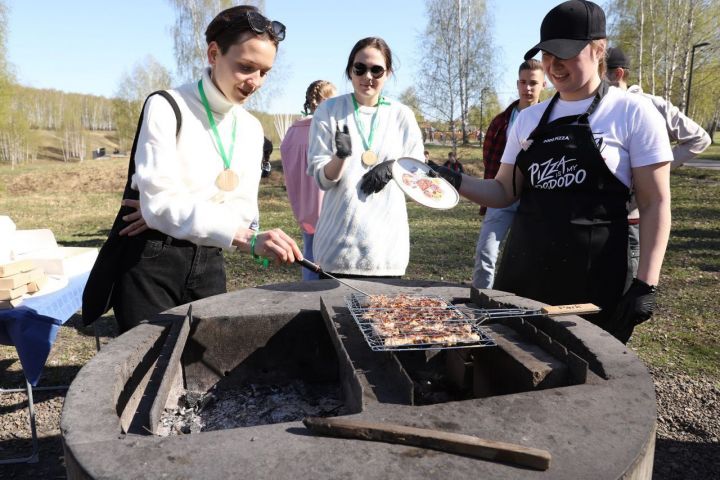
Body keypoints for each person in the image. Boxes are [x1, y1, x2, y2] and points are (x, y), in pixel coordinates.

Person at [432, 0, 672, 344]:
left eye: (565, 54)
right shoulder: (529, 119)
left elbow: (655, 203)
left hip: (596, 280)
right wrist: (450, 179)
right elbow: (503, 191)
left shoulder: (633, 113)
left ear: (598, 49)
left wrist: (647, 283)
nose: (554, 65)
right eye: (547, 55)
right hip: (525, 274)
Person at [109, 6, 302, 332]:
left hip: (211, 261)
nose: (255, 82)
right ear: (214, 53)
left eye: (265, 72)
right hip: (152, 262)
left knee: (205, 368)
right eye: (245, 67)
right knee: (149, 372)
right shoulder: (167, 106)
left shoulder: (253, 129)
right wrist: (163, 213)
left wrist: (173, 214)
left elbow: (241, 212)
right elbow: (160, 202)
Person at [307, 37, 424, 278]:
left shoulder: (402, 115)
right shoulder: (329, 111)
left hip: (386, 253)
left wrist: (393, 168)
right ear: (350, 70)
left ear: (388, 73)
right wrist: (340, 157)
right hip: (337, 250)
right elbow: (322, 180)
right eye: (359, 68)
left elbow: (417, 171)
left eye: (376, 70)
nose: (367, 76)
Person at [605, 46, 711, 279]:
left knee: (628, 282)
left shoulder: (652, 105)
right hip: (596, 218)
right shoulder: (596, 108)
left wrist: (656, 167)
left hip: (632, 216)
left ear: (618, 74)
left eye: (601, 71)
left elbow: (700, 138)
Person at [473, 59, 546, 289]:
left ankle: (521, 305)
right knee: (486, 250)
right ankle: (481, 298)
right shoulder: (501, 121)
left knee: (530, 257)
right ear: (517, 84)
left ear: (543, 85)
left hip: (534, 199)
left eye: (533, 83)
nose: (528, 88)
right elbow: (489, 160)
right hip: (502, 194)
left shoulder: (551, 120)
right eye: (523, 82)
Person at [280, 80, 337, 280]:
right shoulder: (325, 129)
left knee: (309, 255)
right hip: (327, 204)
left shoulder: (292, 132)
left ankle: (309, 291)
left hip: (302, 206)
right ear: (327, 101)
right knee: (330, 260)